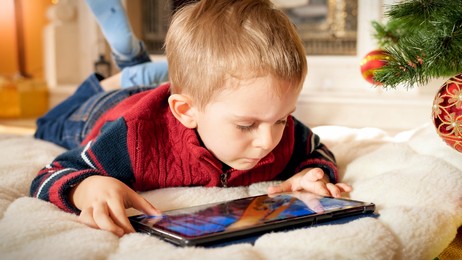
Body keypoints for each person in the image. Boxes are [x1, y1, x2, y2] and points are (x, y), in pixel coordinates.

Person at [30, 0, 352, 237]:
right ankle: (119, 75)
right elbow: (50, 173)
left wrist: (313, 171)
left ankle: (137, 65)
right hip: (105, 109)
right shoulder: (135, 140)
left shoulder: (278, 132)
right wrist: (87, 186)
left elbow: (316, 149)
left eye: (282, 119)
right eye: (246, 125)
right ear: (185, 112)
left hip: (172, 94)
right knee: (50, 123)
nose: (269, 141)